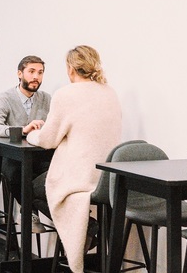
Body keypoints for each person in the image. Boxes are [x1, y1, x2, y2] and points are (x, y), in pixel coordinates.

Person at [26, 45, 122, 273]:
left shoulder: (65, 94)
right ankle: (85, 230)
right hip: (107, 180)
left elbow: (48, 139)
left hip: (80, 177)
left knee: (28, 188)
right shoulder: (110, 92)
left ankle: (86, 227)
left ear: (70, 68)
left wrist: (31, 134)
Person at [0, 55, 52, 216]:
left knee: (55, 174)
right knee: (19, 174)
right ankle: (31, 214)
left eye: (40, 72)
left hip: (37, 155)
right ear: (19, 74)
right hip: (7, 157)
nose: (36, 77)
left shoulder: (46, 98)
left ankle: (30, 211)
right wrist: (23, 130)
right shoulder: (4, 99)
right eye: (31, 71)